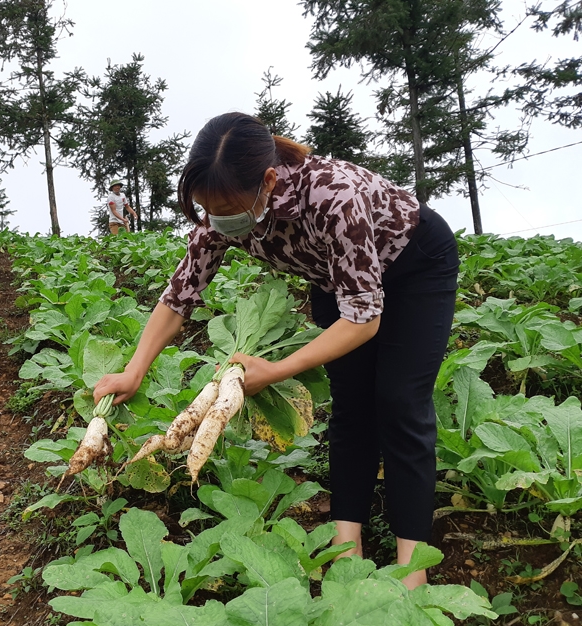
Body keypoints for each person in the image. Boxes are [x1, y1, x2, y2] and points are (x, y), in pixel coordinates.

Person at [94, 112, 458, 589]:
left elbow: (364, 318)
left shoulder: (333, 195)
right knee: (351, 407)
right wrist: (134, 371)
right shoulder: (218, 221)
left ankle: (414, 575)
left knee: (399, 402)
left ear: (268, 181)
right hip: (335, 275)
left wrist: (279, 369)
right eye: (208, 207)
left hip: (414, 265)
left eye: (226, 207)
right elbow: (179, 296)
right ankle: (345, 552)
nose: (218, 219)